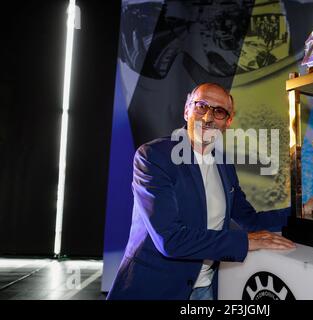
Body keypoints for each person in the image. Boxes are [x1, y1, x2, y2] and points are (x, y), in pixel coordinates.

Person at [107, 83, 295, 300]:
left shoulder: (224, 164)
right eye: (201, 106)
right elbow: (171, 240)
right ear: (187, 110)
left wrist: (301, 212)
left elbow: (250, 219)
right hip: (154, 288)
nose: (208, 118)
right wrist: (246, 241)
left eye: (219, 111)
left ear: (228, 121)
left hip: (206, 289)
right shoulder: (153, 157)